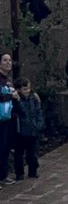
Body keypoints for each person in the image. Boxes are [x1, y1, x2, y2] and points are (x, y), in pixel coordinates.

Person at [13, 76, 43, 180]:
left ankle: (33, 171)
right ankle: (19, 173)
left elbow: (38, 112)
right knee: (19, 154)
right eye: (24, 89)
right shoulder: (16, 101)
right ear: (19, 90)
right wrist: (18, 101)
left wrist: (39, 124)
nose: (27, 91)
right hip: (21, 131)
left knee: (32, 153)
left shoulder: (33, 98)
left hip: (33, 130)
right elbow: (23, 112)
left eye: (28, 88)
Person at [0, 53, 13, 182]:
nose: (8, 63)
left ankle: (3, 175)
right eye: (5, 60)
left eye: (9, 60)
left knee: (5, 147)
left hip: (7, 118)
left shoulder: (8, 80)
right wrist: (11, 96)